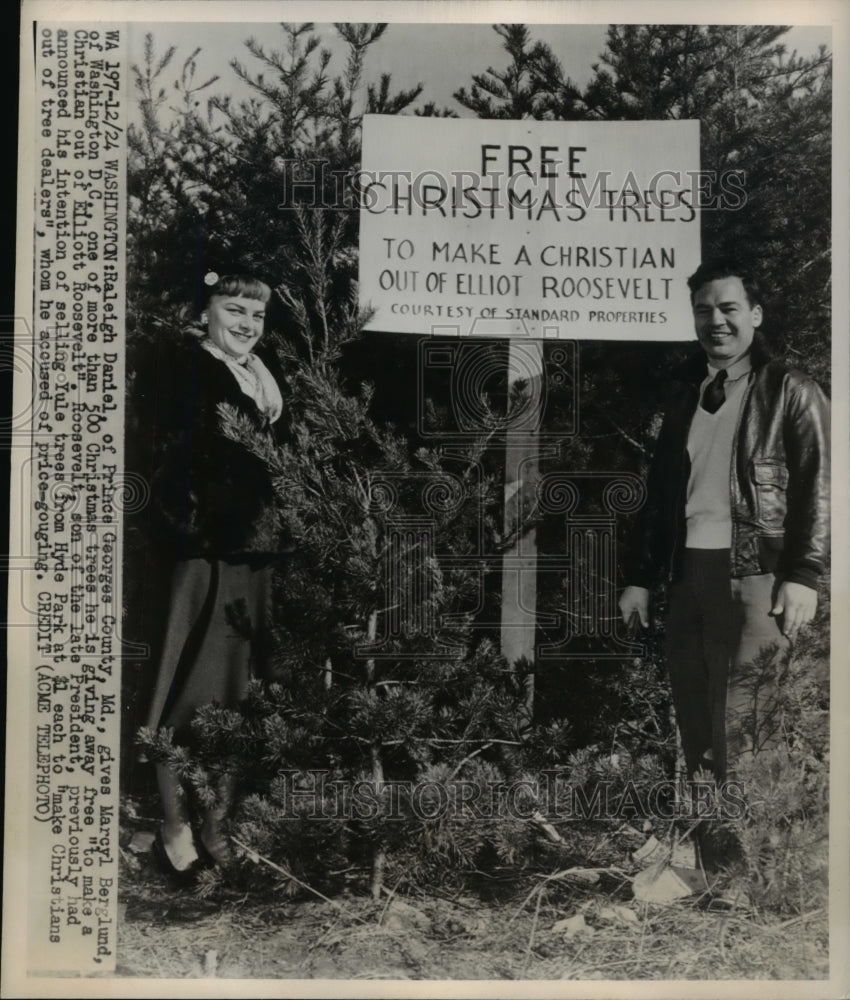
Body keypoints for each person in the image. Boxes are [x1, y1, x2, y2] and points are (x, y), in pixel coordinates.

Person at [618, 259, 830, 800]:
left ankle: (747, 879)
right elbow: (661, 496)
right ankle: (716, 878)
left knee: (744, 727)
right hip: (687, 575)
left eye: (729, 308)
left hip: (756, 578)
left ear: (754, 315)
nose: (717, 320)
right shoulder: (685, 395)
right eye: (704, 309)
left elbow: (824, 487)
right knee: (697, 727)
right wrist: (641, 576)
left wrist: (804, 572)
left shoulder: (792, 389)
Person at [140, 271, 285, 882]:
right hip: (205, 552)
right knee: (187, 690)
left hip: (255, 553)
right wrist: (199, 527)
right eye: (234, 309)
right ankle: (173, 826)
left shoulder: (264, 378)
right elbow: (167, 462)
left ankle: (217, 824)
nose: (247, 324)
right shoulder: (184, 371)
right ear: (205, 312)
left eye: (256, 313)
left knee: (236, 694)